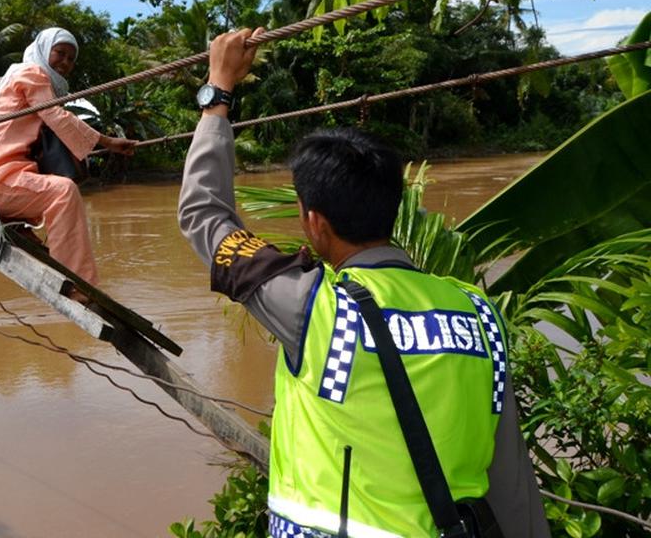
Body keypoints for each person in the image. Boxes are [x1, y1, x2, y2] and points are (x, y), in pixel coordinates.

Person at [177, 28, 547, 537]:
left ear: (314, 223)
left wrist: (218, 91)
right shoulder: (480, 314)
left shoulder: (311, 305)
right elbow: (511, 482)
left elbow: (204, 214)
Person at [0, 27, 136, 284]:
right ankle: (77, 282)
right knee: (63, 192)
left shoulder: (23, 77)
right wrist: (108, 142)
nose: (65, 62)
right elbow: (55, 116)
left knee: (56, 189)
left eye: (71, 59)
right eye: (60, 53)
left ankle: (68, 270)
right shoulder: (31, 73)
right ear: (44, 50)